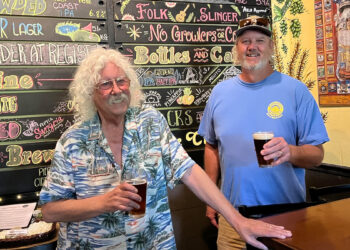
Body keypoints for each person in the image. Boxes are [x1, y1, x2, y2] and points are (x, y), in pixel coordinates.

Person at [39, 47, 291, 250]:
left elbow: (189, 170)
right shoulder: (72, 141)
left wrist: (238, 221)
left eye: (121, 81)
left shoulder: (151, 121)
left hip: (154, 243)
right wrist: (104, 203)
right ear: (90, 93)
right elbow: (50, 211)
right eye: (105, 84)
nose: (116, 90)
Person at [198, 15, 329, 249]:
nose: (252, 46)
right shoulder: (220, 93)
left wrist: (290, 151)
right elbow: (211, 146)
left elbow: (317, 154)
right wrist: (212, 199)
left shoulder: (295, 91)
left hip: (285, 217)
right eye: (245, 41)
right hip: (233, 219)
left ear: (270, 47)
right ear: (237, 48)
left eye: (260, 40)